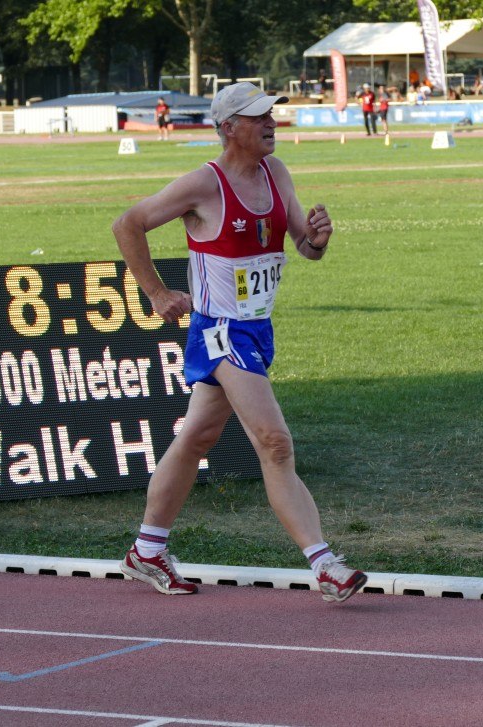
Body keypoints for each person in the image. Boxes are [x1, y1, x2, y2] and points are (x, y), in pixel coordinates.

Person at [111, 81, 367, 604]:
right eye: (258, 116)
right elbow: (128, 224)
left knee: (196, 438)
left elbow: (304, 246)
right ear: (229, 128)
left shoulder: (276, 173)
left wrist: (317, 237)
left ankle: (147, 549)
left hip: (256, 330)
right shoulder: (202, 185)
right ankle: (325, 565)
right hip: (220, 330)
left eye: (272, 113)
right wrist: (158, 293)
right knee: (274, 442)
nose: (271, 123)